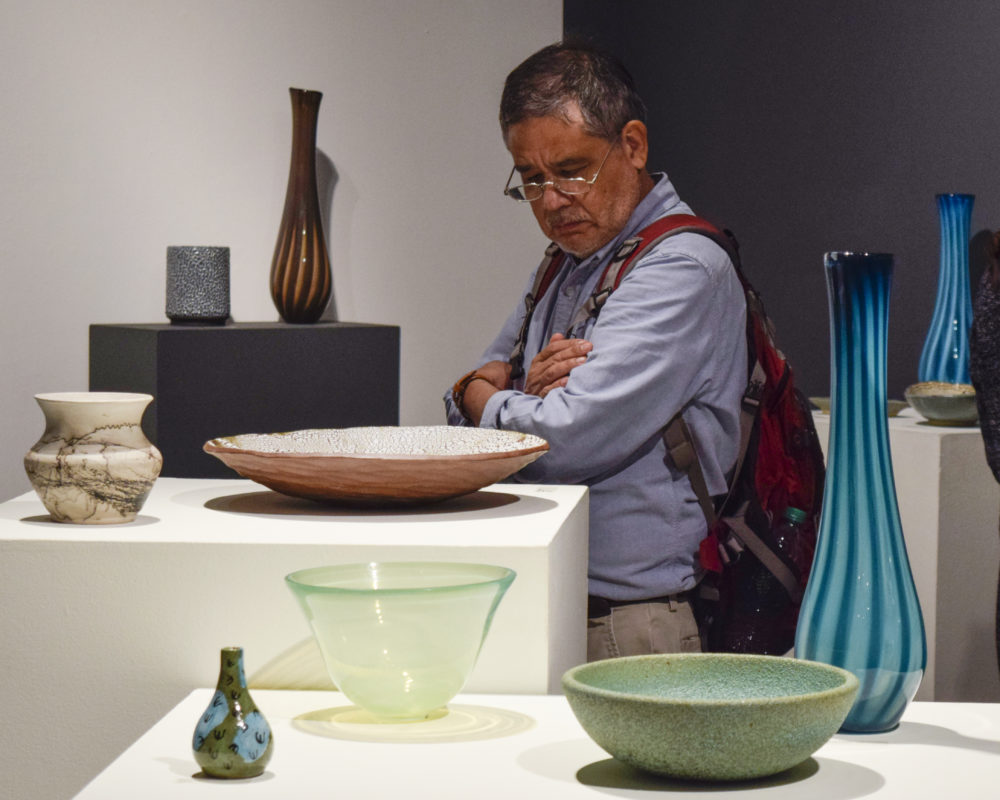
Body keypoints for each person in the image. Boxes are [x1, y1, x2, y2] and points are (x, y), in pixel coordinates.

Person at [444, 41, 748, 661]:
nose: (553, 200)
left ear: (632, 146)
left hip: (633, 627)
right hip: (549, 602)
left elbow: (561, 440)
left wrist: (482, 393)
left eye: (572, 168)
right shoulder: (564, 264)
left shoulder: (683, 267)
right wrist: (507, 397)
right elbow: (469, 416)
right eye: (532, 179)